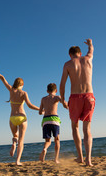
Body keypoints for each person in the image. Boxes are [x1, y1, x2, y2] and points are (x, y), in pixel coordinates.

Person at [0, 63, 39, 165]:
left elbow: (3, 78)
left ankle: (13, 143)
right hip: (22, 117)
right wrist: (40, 109)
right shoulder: (24, 93)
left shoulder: (11, 90)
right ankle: (17, 161)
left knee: (15, 135)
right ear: (21, 84)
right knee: (21, 141)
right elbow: (30, 105)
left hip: (12, 118)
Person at [60, 38, 95, 166]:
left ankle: (80, 157)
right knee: (87, 129)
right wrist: (90, 44)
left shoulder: (68, 64)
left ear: (70, 55)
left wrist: (63, 99)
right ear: (80, 53)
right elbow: (91, 51)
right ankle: (88, 160)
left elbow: (62, 84)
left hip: (75, 97)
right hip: (89, 96)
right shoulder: (88, 59)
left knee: (75, 127)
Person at [39, 83, 62, 163]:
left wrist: (45, 111)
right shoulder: (56, 97)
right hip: (54, 119)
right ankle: (56, 159)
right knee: (57, 139)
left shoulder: (43, 99)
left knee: (48, 141)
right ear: (56, 90)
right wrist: (66, 104)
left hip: (45, 120)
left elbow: (40, 112)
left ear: (47, 91)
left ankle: (45, 149)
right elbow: (63, 102)